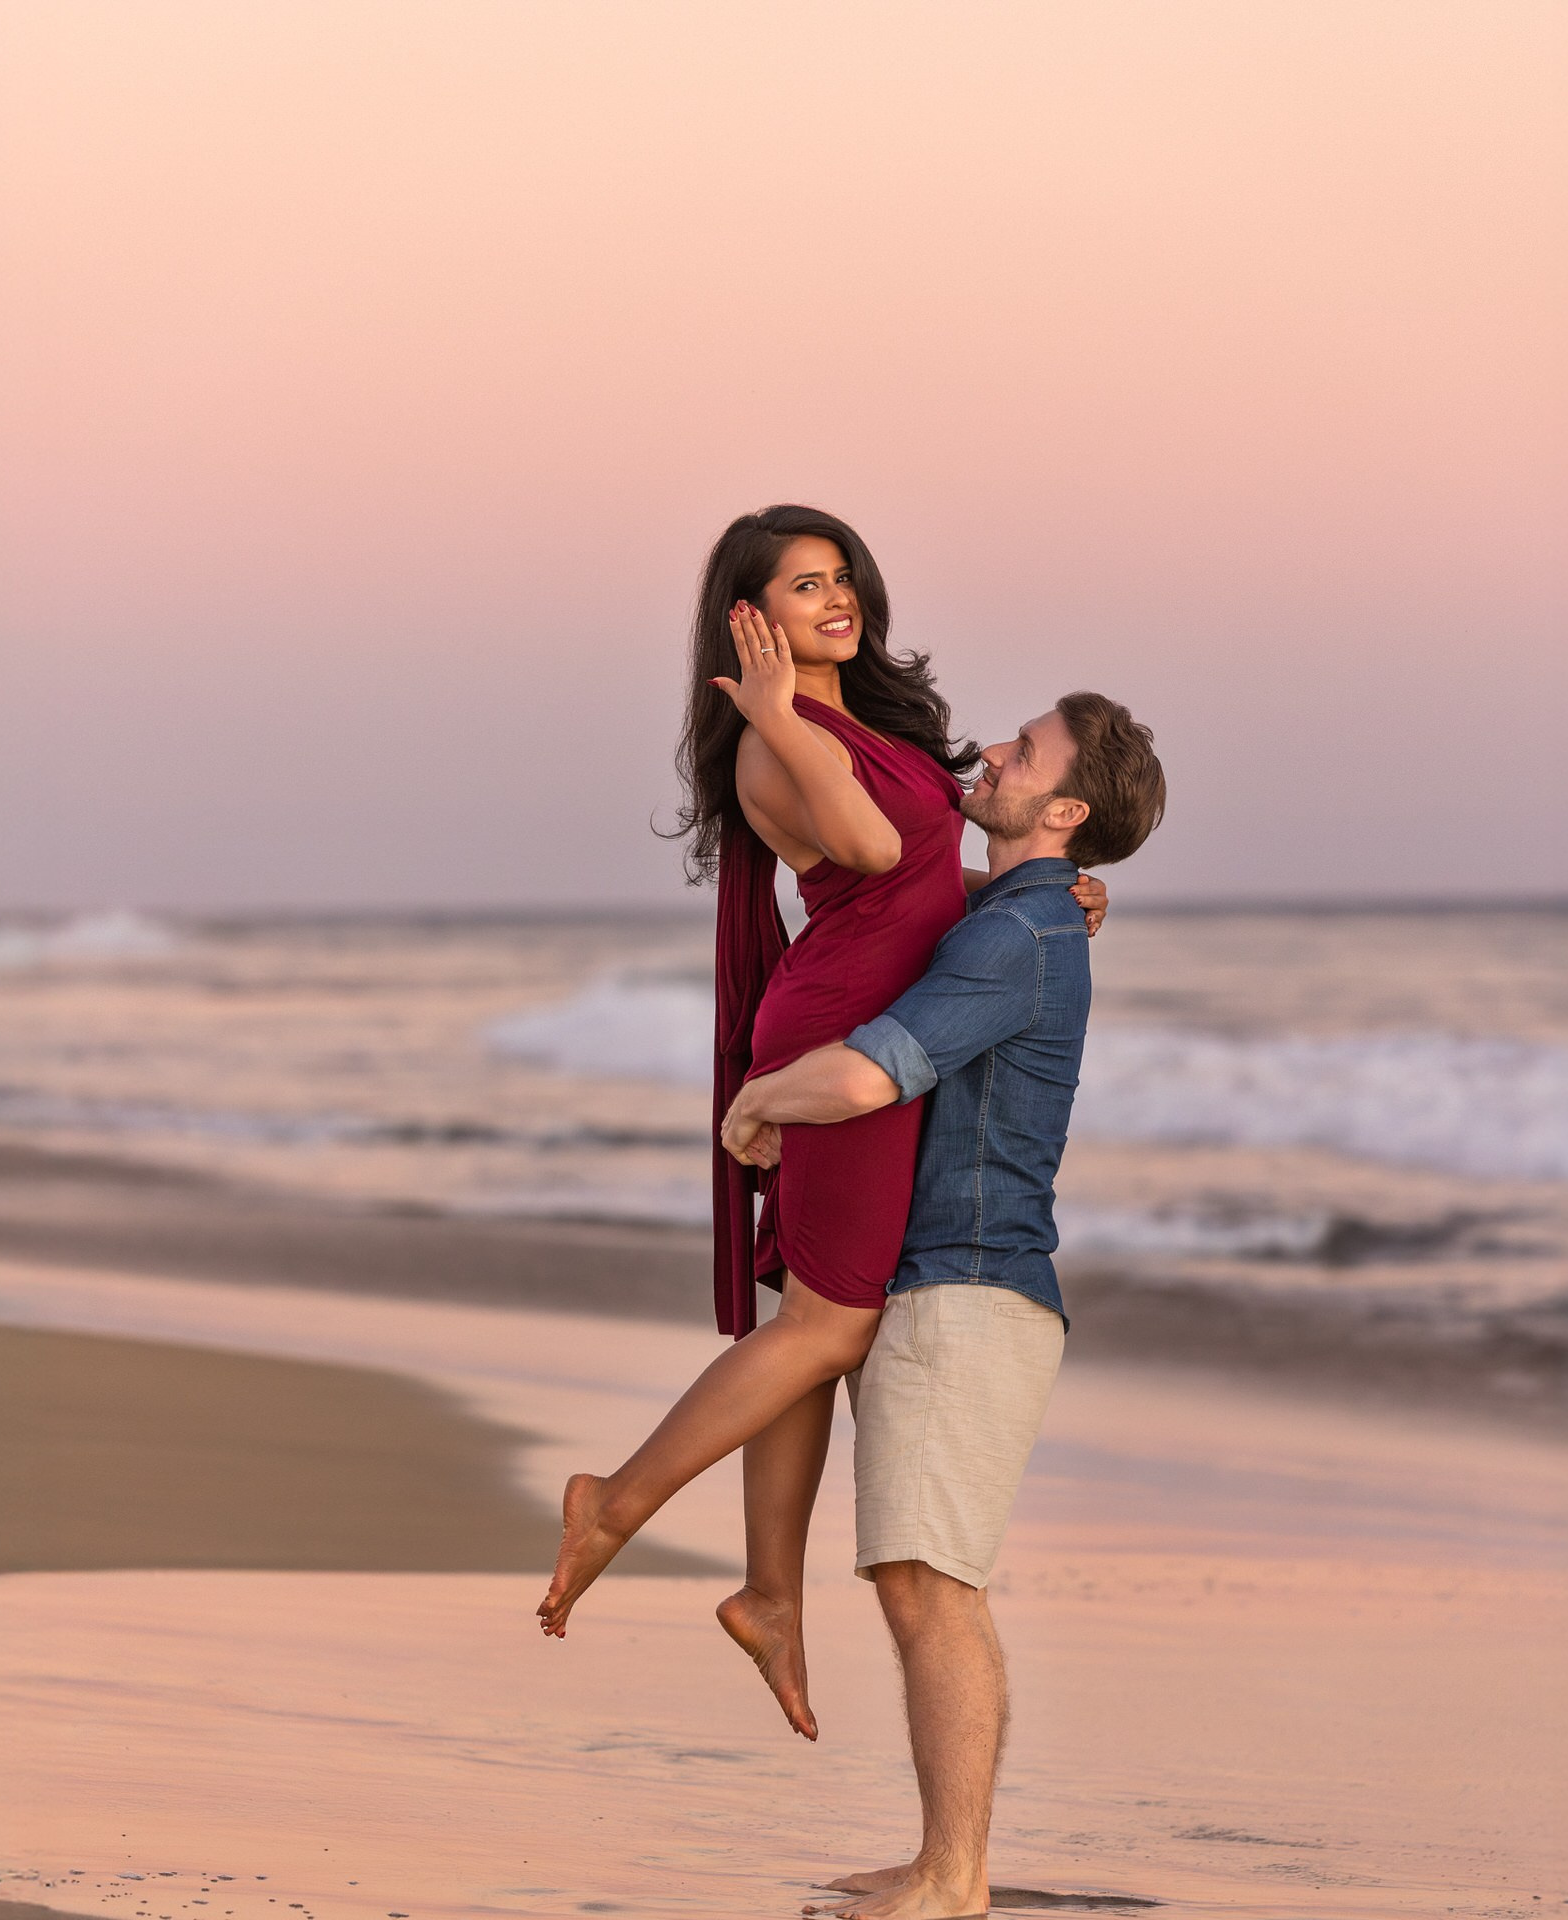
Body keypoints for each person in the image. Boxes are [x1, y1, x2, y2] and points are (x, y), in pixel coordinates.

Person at [535, 508, 1107, 1745]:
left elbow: (908, 877)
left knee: (810, 1312)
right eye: (802, 586)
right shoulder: (769, 745)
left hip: (862, 1007)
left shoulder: (863, 724)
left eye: (840, 576)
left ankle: (771, 1595)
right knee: (834, 1320)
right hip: (843, 1028)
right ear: (753, 619)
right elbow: (861, 841)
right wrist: (778, 714)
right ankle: (616, 1502)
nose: (834, 599)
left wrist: (1042, 890)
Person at [720, 691, 1166, 1920]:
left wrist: (759, 1107)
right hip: (946, 1281)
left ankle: (954, 1874)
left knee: (930, 1582)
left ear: (1064, 809)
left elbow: (876, 1070)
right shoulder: (1019, 918)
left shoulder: (1019, 937)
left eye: (1025, 754)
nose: (991, 754)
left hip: (969, 1287)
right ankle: (938, 1859)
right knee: (922, 1579)